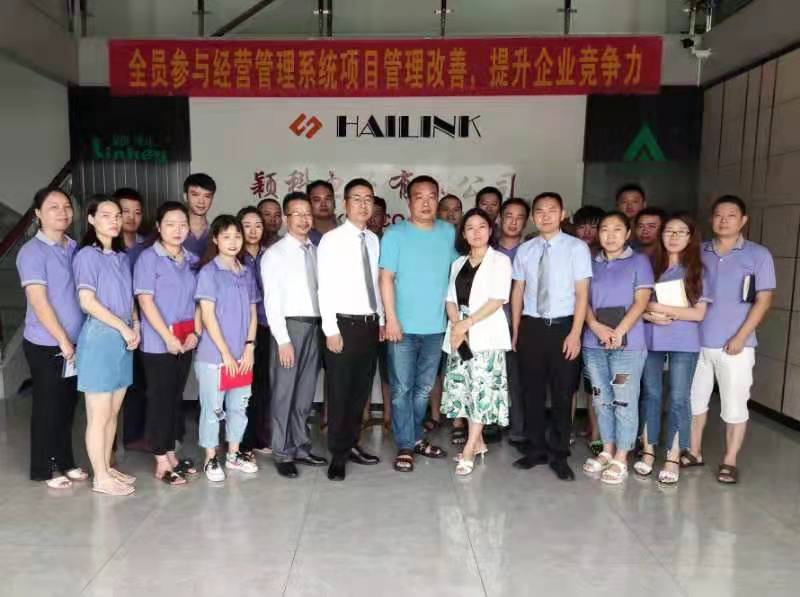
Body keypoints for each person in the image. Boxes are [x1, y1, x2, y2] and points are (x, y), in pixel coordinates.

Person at [686, 195, 775, 484]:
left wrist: (741, 336)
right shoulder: (697, 252)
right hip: (696, 342)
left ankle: (730, 460)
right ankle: (694, 451)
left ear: (743, 220)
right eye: (718, 215)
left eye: (731, 215)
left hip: (736, 346)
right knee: (694, 402)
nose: (724, 220)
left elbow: (763, 300)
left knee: (735, 405)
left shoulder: (758, 255)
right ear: (711, 219)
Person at [511, 192, 592, 481]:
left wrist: (575, 333)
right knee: (531, 391)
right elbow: (518, 291)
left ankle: (559, 454)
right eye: (540, 211)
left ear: (562, 214)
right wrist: (517, 330)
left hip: (563, 327)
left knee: (562, 393)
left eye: (551, 210)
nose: (545, 216)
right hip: (531, 327)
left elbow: (582, 293)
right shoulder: (525, 250)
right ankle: (535, 449)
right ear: (533, 217)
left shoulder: (577, 248)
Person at [380, 175, 457, 472]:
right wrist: (391, 319)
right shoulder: (395, 234)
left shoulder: (447, 232)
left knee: (424, 389)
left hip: (436, 327)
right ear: (409, 201)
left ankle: (413, 438)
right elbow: (386, 278)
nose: (426, 203)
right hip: (402, 327)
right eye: (419, 197)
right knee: (401, 389)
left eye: (431, 196)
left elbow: (459, 270)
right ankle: (406, 444)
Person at [16, 187, 87, 489]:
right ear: (38, 214)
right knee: (48, 407)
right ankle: (44, 467)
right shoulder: (32, 252)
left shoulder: (73, 247)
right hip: (47, 344)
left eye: (66, 206)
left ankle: (65, 461)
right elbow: (39, 301)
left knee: (68, 405)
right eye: (53, 207)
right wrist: (62, 340)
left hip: (76, 342)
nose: (62, 212)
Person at [318, 178, 384, 481]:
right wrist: (330, 329)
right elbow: (324, 287)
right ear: (345, 204)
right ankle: (338, 454)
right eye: (356, 199)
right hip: (342, 325)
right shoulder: (331, 240)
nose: (363, 204)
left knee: (360, 391)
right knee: (340, 390)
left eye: (368, 199)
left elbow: (376, 285)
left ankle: (352, 443)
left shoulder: (373, 240)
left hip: (369, 325)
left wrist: (381, 320)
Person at [73, 195, 139, 496]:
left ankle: (107, 466)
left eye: (117, 216)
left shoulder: (122, 257)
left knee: (113, 412)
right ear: (91, 219)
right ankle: (100, 477)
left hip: (124, 339)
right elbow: (87, 301)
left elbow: (130, 299)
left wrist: (135, 325)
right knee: (98, 415)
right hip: (100, 338)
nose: (114, 221)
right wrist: (123, 327)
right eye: (106, 215)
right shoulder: (87, 256)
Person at [582, 212, 653, 485]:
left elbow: (641, 300)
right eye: (605, 229)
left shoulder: (639, 261)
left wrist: (619, 331)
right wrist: (596, 326)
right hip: (594, 344)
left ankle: (622, 456)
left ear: (627, 234)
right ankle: (607, 449)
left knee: (623, 399)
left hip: (628, 346)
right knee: (601, 398)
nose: (610, 236)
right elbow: (582, 300)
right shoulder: (591, 263)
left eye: (617, 229)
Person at [636, 213, 708, 485]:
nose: (674, 236)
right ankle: (648, 451)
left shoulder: (698, 270)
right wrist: (647, 314)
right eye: (669, 231)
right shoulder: (649, 267)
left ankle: (673, 455)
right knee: (650, 394)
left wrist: (656, 306)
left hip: (684, 342)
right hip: (651, 339)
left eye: (681, 232)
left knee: (678, 397)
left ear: (690, 237)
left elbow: (698, 314)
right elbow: (637, 304)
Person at [262, 192, 329, 479]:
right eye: (297, 214)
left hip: (315, 326)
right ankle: (282, 451)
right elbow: (271, 301)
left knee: (304, 393)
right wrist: (282, 339)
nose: (304, 219)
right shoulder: (275, 254)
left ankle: (301, 445)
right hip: (290, 329)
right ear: (286, 218)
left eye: (307, 214)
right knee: (284, 393)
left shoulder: (315, 249)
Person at [441, 208, 512, 475]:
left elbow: (497, 299)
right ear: (463, 233)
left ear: (490, 230)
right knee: (466, 389)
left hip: (485, 334)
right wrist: (456, 325)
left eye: (482, 226)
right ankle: (479, 441)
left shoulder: (500, 261)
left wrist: (466, 324)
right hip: (460, 336)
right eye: (470, 227)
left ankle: (470, 448)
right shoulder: (458, 263)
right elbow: (450, 299)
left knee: (482, 390)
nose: (476, 232)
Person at [134, 202, 200, 486]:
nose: (177, 230)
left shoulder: (192, 259)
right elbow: (145, 301)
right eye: (170, 224)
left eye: (183, 224)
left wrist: (195, 333)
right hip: (158, 343)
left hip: (185, 340)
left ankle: (171, 453)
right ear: (159, 227)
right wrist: (167, 337)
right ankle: (160, 459)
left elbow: (198, 301)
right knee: (160, 399)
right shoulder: (148, 259)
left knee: (174, 398)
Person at [194, 215, 260, 482]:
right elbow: (207, 316)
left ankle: (233, 454)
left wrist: (249, 347)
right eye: (226, 237)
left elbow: (253, 313)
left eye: (237, 236)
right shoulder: (209, 273)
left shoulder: (246, 272)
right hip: (214, 356)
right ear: (215, 239)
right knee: (212, 409)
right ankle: (210, 458)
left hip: (242, 355)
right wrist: (225, 353)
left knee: (239, 406)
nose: (233, 242)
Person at [113, 187, 148, 450]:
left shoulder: (148, 246)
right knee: (113, 386)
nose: (131, 217)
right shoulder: (107, 247)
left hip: (145, 324)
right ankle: (109, 447)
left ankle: (135, 436)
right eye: (125, 211)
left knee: (141, 381)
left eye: (137, 212)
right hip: (115, 326)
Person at [237, 207, 272, 458]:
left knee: (262, 384)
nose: (252, 230)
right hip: (240, 329)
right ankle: (241, 441)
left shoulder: (270, 255)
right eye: (247, 225)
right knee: (241, 387)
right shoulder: (233, 258)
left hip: (266, 326)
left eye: (258, 225)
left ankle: (259, 437)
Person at [571, 205, 605, 455]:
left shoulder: (606, 257)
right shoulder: (570, 254)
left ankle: (596, 432)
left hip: (599, 330)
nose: (587, 232)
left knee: (595, 384)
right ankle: (567, 429)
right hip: (571, 327)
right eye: (582, 226)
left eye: (594, 226)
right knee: (568, 383)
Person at [496, 198, 529, 448]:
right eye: (509, 216)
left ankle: (519, 429)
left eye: (519, 217)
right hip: (492, 324)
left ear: (526, 222)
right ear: (499, 218)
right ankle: (489, 424)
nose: (513, 222)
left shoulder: (531, 251)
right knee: (492, 377)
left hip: (522, 324)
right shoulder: (488, 249)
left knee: (518, 380)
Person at [365, 195, 391, 428]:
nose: (373, 219)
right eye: (370, 214)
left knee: (388, 369)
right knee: (364, 368)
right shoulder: (359, 241)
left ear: (385, 218)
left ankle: (388, 416)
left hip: (389, 315)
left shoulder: (390, 242)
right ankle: (363, 415)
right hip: (364, 315)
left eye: (378, 214)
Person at [183, 173, 216, 257]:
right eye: (195, 195)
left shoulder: (216, 231)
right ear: (185, 197)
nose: (201, 201)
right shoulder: (173, 230)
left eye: (207, 196)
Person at [307, 180, 337, 246]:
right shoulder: (303, 234)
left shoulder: (347, 229)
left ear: (334, 203)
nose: (323, 204)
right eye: (317, 200)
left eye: (327, 199)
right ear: (309, 205)